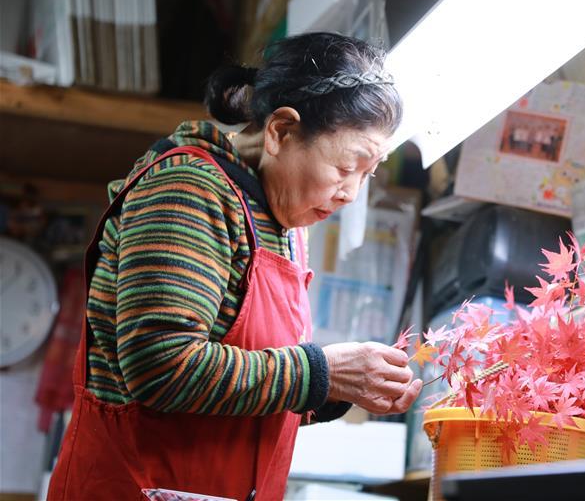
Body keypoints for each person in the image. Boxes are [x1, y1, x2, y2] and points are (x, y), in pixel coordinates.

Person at [47, 33, 423, 501]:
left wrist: (341, 387)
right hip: (132, 486)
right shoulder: (189, 189)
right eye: (348, 165)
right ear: (281, 131)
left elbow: (251, 384)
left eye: (368, 174)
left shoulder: (283, 225)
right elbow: (161, 366)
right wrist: (320, 372)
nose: (352, 193)